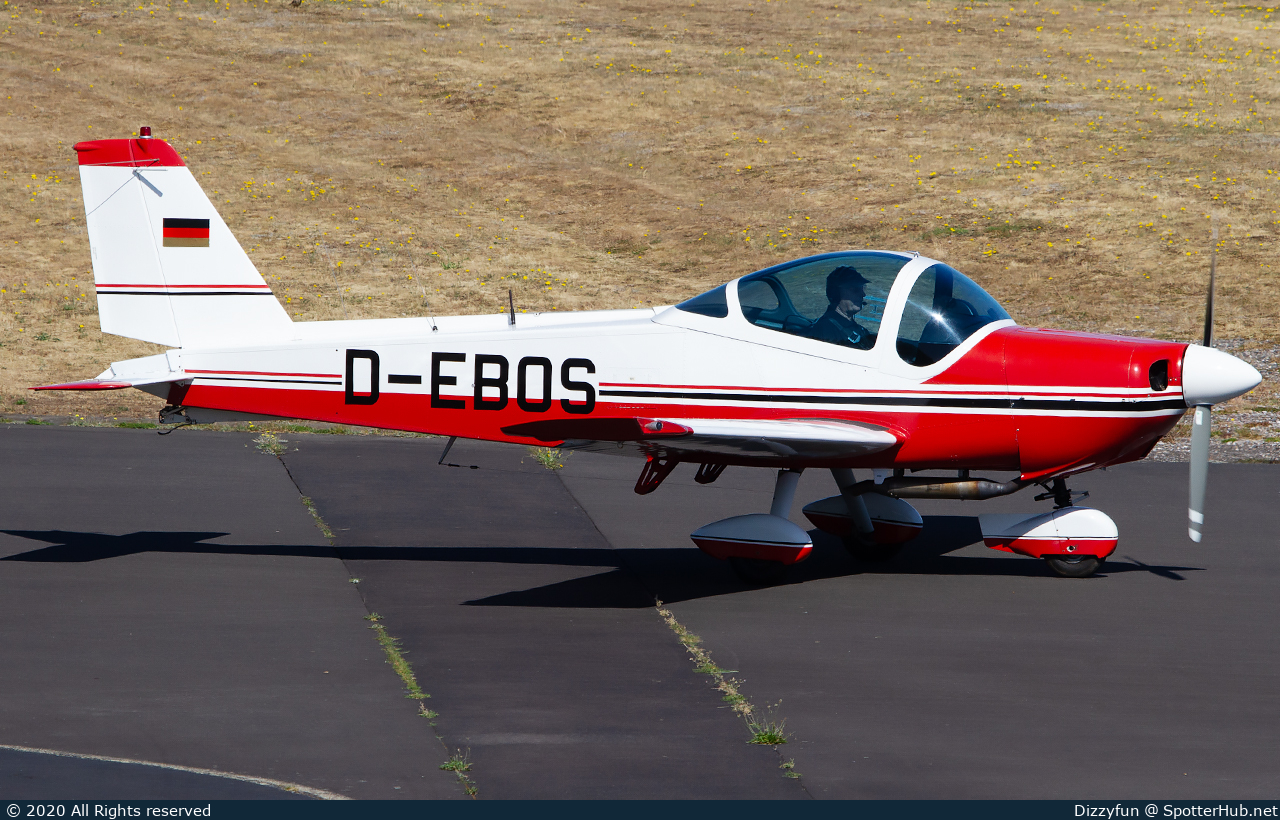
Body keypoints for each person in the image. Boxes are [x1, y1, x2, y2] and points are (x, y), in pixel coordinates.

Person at [809, 266, 876, 350]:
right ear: (836, 294)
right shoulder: (825, 330)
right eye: (855, 290)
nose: (863, 294)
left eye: (862, 288)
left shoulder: (860, 330)